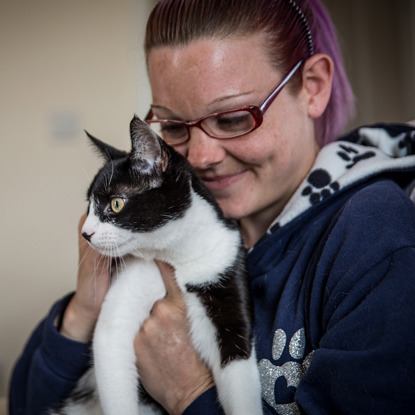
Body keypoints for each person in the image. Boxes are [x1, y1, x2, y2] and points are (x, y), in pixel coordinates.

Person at [9, 0, 415, 414]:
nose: (201, 158)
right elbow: (26, 405)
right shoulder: (172, 224)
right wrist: (84, 309)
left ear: (313, 86)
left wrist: (191, 393)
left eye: (234, 118)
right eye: (173, 127)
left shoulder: (376, 236)